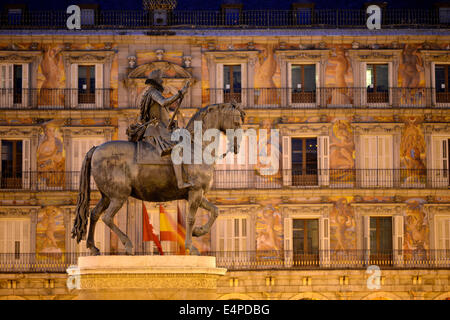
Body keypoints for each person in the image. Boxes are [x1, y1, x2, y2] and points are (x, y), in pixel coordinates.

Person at [127, 69, 192, 189]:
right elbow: (164, 102)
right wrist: (180, 93)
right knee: (177, 146)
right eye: (160, 78)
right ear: (156, 80)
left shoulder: (150, 93)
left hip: (159, 127)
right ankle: (180, 182)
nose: (162, 81)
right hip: (156, 130)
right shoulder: (153, 93)